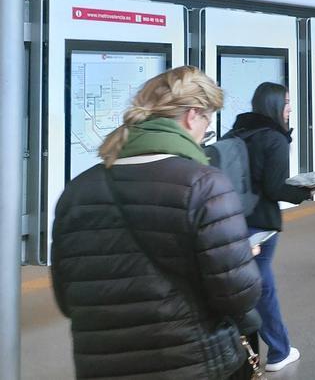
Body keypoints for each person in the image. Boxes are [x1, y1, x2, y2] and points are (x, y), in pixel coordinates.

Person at [51, 67, 263, 379]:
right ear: (192, 115)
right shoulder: (204, 184)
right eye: (207, 121)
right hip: (190, 362)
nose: (204, 134)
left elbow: (67, 298)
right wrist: (241, 257)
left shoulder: (77, 191)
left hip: (101, 366)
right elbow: (238, 295)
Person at [226, 82, 315, 372]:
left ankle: (244, 353)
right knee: (263, 289)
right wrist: (306, 191)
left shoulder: (237, 132)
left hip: (232, 220)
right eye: (287, 102)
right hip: (260, 224)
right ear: (275, 105)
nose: (290, 108)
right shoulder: (274, 138)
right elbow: (274, 187)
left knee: (242, 288)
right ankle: (279, 351)